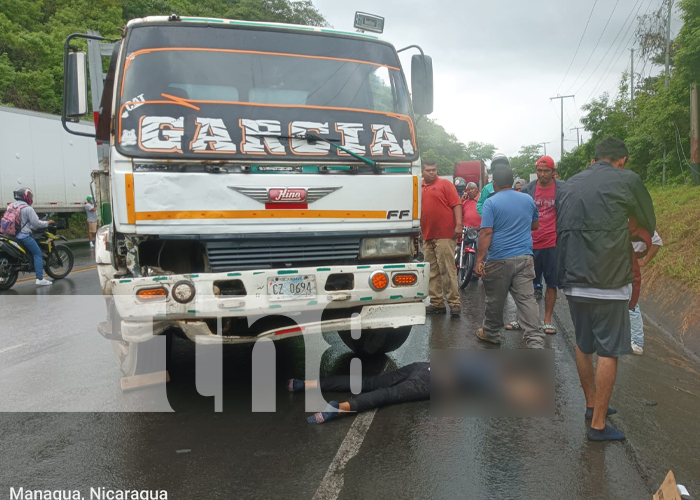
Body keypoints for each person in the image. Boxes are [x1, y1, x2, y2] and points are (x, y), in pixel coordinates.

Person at [557, 137, 655, 441]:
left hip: (572, 278)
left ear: (595, 159)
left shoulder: (570, 183)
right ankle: (598, 425)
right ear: (622, 160)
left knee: (583, 344)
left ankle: (591, 405)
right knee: (609, 350)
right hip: (609, 281)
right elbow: (647, 224)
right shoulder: (628, 179)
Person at [290, 358, 547, 424]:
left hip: (424, 367)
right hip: (431, 383)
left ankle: (305, 384)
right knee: (387, 397)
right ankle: (339, 408)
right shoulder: (495, 380)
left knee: (369, 382)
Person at [474, 165, 544, 349]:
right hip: (524, 257)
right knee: (527, 299)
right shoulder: (527, 199)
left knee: (495, 300)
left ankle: (491, 333)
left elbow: (486, 232)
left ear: (493, 183)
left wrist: (480, 259)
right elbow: (535, 225)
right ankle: (535, 340)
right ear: (512, 182)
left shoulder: (491, 202)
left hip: (499, 259)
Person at [514, 156, 566, 334]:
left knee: (551, 283)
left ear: (553, 172)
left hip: (552, 243)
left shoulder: (562, 189)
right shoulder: (528, 190)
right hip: (530, 244)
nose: (542, 174)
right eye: (539, 171)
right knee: (525, 283)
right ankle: (522, 319)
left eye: (546, 171)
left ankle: (547, 320)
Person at [420, 159, 463, 317]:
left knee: (447, 269)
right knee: (432, 271)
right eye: (428, 170)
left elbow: (456, 204)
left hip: (445, 234)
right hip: (427, 234)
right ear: (422, 172)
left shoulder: (445, 184)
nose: (432, 172)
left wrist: (459, 225)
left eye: (434, 170)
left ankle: (454, 303)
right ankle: (437, 303)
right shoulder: (419, 187)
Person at [8, 188, 55, 286]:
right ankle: (40, 278)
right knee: (37, 254)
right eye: (29, 196)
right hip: (22, 236)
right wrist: (48, 222)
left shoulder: (11, 206)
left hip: (10, 235)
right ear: (25, 196)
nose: (30, 198)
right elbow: (37, 224)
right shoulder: (28, 208)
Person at [629, 230, 663, 355]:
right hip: (619, 266)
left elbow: (657, 241)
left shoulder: (639, 223)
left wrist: (644, 261)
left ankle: (637, 342)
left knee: (631, 304)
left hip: (629, 268)